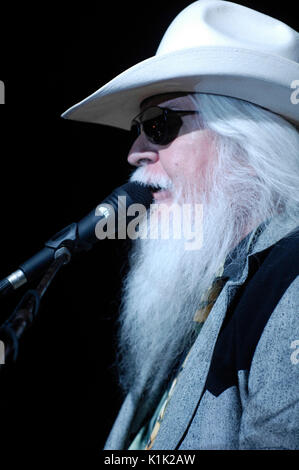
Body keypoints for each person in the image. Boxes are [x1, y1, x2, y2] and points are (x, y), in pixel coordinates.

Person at [62, 0, 299, 450]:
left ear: (247, 145)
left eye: (159, 124)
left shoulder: (293, 285)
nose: (135, 152)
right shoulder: (194, 299)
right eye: (139, 127)